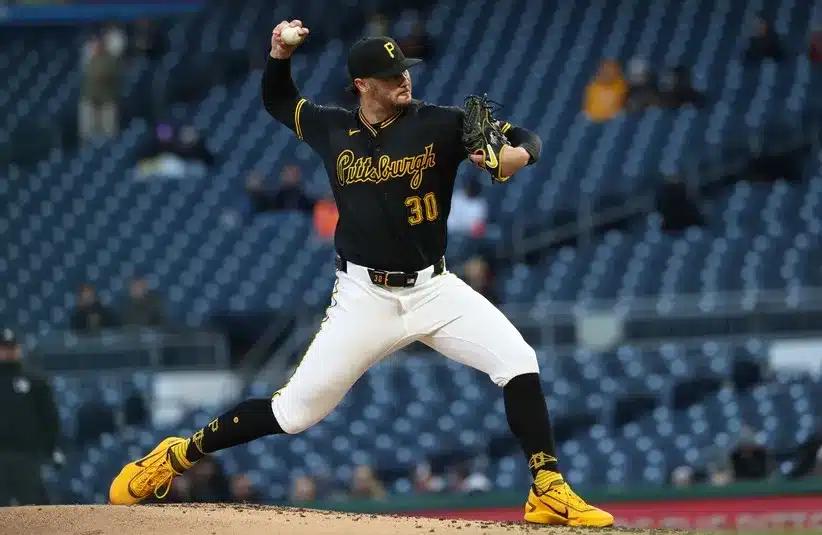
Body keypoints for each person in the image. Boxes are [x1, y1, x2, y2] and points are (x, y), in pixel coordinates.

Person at [109, 20, 613, 527]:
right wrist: (279, 54)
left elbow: (526, 136)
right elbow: (278, 101)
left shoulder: (440, 123)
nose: (404, 80)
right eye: (391, 75)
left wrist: (516, 154)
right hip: (363, 296)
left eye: (406, 71)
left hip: (434, 289)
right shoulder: (332, 127)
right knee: (294, 414)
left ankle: (547, 488)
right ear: (362, 85)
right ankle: (176, 455)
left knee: (519, 360)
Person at [0, 328, 60, 506]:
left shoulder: (34, 381)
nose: (9, 352)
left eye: (12, 347)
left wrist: (48, 447)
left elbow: (49, 417)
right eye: (4, 348)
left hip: (26, 455)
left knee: (34, 507)